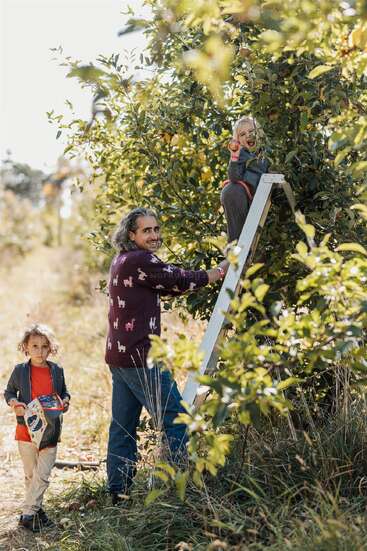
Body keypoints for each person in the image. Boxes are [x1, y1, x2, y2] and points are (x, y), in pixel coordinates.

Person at [105, 207, 228, 503]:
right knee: (177, 419)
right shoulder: (139, 259)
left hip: (119, 358)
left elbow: (166, 284)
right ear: (131, 235)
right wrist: (221, 271)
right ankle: (176, 489)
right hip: (140, 358)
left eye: (157, 229)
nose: (154, 235)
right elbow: (178, 279)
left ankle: (118, 493)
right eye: (147, 231)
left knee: (123, 426)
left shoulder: (123, 260)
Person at [4, 324, 70, 532]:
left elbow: (64, 393)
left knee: (42, 475)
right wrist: (15, 404)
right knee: (31, 476)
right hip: (26, 431)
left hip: (50, 431)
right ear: (26, 347)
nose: (39, 351)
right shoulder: (20, 371)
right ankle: (36, 511)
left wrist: (65, 402)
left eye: (44, 346)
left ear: (50, 348)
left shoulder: (56, 371)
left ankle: (27, 514)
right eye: (34, 346)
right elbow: (9, 393)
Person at [221, 116, 271, 243]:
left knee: (242, 226)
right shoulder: (242, 154)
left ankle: (238, 246)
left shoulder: (266, 152)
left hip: (258, 196)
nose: (248, 136)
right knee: (237, 226)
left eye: (251, 131)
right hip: (243, 195)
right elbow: (234, 176)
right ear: (238, 140)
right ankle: (236, 246)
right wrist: (234, 157)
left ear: (259, 132)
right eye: (242, 134)